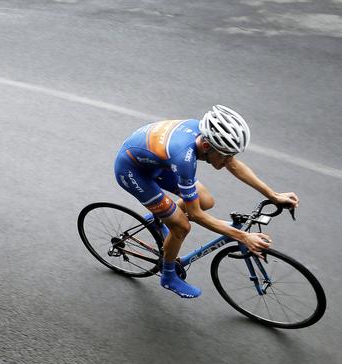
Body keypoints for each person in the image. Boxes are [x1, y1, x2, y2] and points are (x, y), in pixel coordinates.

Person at [114, 105, 299, 298]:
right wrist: (243, 237)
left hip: (157, 160)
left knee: (206, 201)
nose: (229, 160)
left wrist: (273, 195)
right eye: (225, 154)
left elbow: (234, 166)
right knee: (181, 226)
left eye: (232, 155)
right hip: (133, 171)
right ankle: (168, 276)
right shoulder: (184, 160)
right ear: (206, 146)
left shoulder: (205, 137)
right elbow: (196, 215)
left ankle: (158, 218)